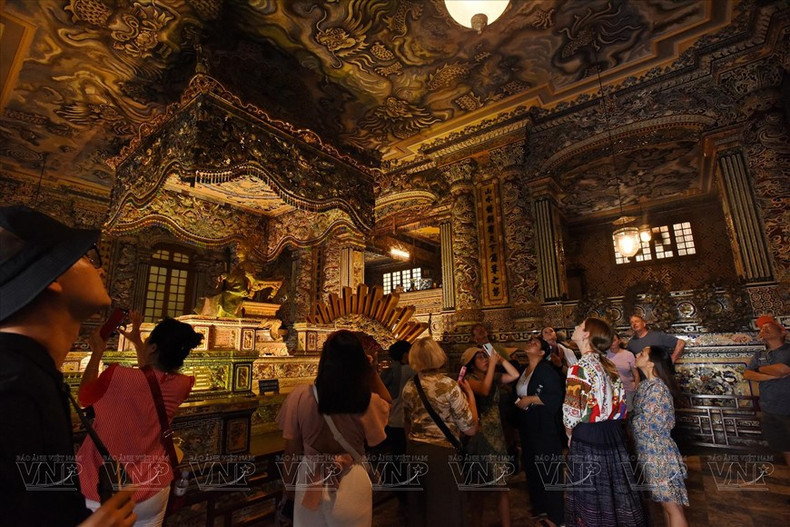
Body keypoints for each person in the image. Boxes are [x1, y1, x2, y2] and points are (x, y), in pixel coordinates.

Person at [0, 205, 136, 526]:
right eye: (89, 258)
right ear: (55, 278)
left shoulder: (34, 374)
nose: (100, 270)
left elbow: (32, 502)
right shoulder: (11, 386)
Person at [76, 311, 203, 526]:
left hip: (105, 488)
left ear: (153, 348)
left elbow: (84, 397)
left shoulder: (118, 376)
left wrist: (97, 352)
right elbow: (149, 379)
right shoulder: (183, 384)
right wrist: (138, 341)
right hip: (153, 488)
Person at [276, 330, 392, 527]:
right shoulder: (366, 401)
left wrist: (289, 490)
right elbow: (387, 402)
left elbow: (291, 452)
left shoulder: (299, 397)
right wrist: (371, 370)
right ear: (359, 362)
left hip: (309, 479)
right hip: (351, 478)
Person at [563, 317, 647, 526]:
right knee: (614, 492)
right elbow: (620, 403)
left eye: (580, 326)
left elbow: (571, 413)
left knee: (592, 496)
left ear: (586, 335)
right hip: (612, 434)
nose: (575, 327)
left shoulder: (579, 368)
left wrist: (569, 434)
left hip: (589, 436)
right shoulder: (607, 364)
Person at [402, 337, 478, 527]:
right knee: (446, 510)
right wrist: (470, 397)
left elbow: (407, 422)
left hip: (415, 452)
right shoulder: (448, 385)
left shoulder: (410, 386)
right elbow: (470, 428)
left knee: (420, 509)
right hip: (441, 455)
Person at [460, 343, 520, 527]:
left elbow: (515, 375)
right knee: (478, 489)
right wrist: (493, 364)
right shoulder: (468, 380)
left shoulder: (492, 376)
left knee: (501, 486)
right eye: (480, 358)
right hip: (478, 435)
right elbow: (484, 391)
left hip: (496, 434)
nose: (485, 360)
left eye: (485, 356)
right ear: (471, 364)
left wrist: (500, 360)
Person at [631, 345, 689, 526]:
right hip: (648, 451)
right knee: (666, 505)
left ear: (651, 363)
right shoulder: (646, 385)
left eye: (641, 353)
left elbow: (648, 425)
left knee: (672, 507)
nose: (637, 354)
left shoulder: (657, 389)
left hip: (658, 453)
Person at [514, 338, 565, 527]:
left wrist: (531, 400)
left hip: (543, 427)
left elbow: (555, 396)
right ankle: (541, 510)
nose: (529, 343)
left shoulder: (546, 370)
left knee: (548, 469)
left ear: (542, 352)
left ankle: (555, 517)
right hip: (528, 426)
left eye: (535, 343)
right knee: (534, 468)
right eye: (529, 341)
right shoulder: (524, 370)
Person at [743, 316, 790, 466]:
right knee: (785, 448)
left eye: (769, 326)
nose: (764, 328)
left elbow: (783, 369)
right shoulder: (760, 355)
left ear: (783, 332)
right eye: (762, 328)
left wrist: (759, 370)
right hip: (770, 409)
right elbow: (747, 374)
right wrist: (770, 377)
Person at [379, 340, 414, 506]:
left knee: (396, 456)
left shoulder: (389, 371)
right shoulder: (409, 370)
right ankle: (405, 492)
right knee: (404, 457)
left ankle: (397, 488)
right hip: (404, 422)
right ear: (406, 355)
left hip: (392, 421)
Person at [608, 333, 639, 411]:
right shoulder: (604, 355)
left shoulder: (628, 355)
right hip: (611, 392)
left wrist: (636, 387)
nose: (612, 343)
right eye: (609, 340)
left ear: (619, 341)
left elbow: (636, 374)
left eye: (614, 340)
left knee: (629, 414)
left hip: (627, 390)